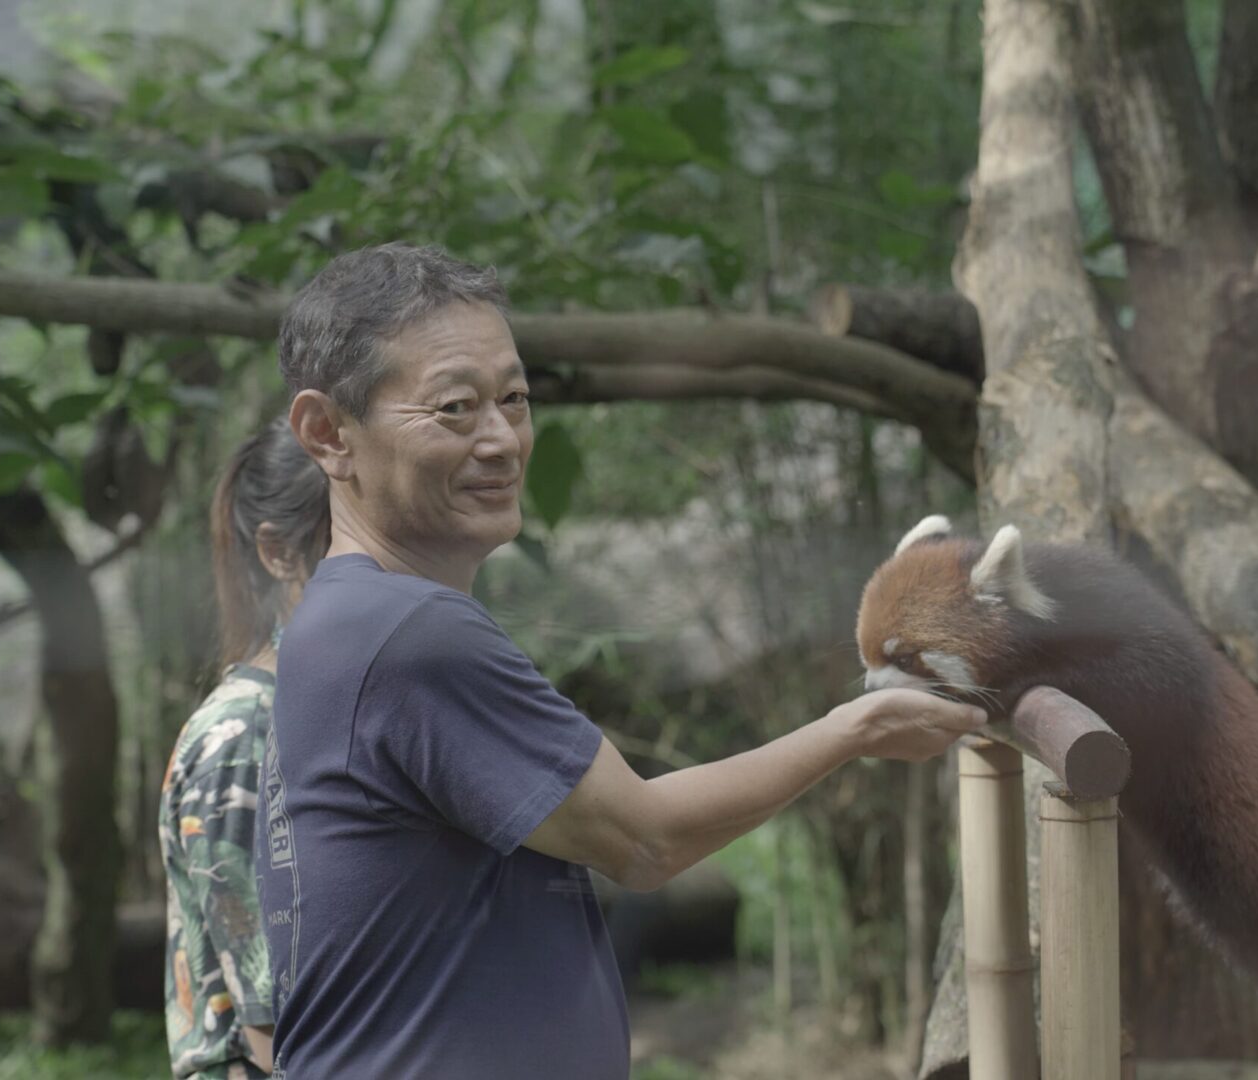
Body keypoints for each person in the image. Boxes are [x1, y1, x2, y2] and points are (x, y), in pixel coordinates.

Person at [258, 243, 986, 1079]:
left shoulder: (348, 617)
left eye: (515, 399)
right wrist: (854, 730)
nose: (502, 439)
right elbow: (644, 841)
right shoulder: (410, 633)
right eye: (455, 408)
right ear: (327, 434)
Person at [160, 416, 328, 1080]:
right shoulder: (243, 737)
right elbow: (275, 1023)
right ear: (279, 553)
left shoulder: (318, 710)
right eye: (349, 544)